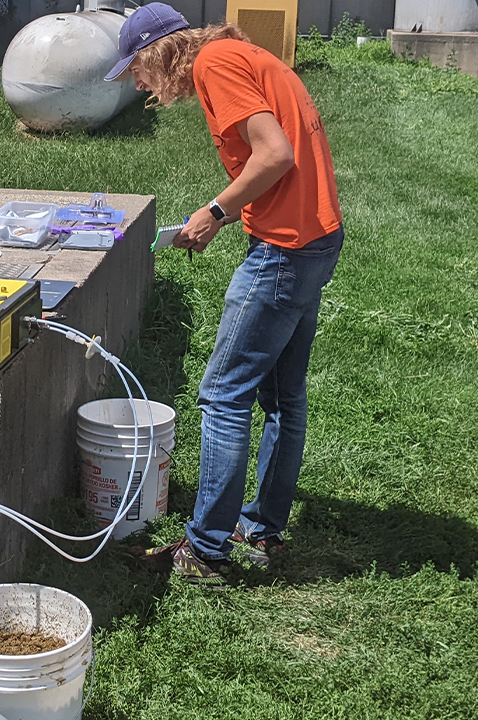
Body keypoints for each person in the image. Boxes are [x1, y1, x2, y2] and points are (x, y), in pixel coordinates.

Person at [106, 3, 344, 584]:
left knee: (222, 396)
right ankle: (260, 530)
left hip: (284, 253)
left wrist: (215, 211)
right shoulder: (243, 54)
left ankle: (207, 551)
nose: (137, 84)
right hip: (316, 237)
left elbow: (275, 153)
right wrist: (230, 217)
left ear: (160, 51)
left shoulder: (215, 63)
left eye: (136, 69)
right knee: (284, 399)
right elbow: (287, 165)